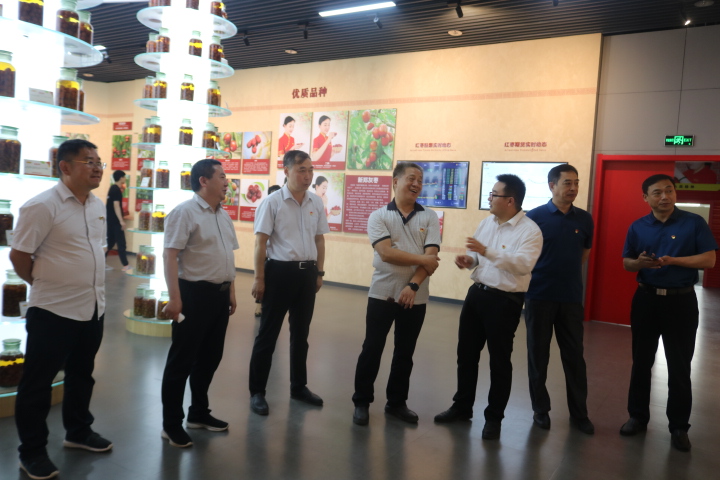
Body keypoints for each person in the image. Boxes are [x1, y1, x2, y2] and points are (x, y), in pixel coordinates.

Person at [10, 139, 112, 480]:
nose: (97, 167)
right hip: (53, 310)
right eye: (88, 161)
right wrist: (43, 283)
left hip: (92, 307)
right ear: (65, 167)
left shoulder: (96, 205)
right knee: (37, 384)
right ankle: (32, 451)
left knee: (82, 375)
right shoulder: (42, 206)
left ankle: (78, 431)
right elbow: (19, 255)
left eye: (98, 161)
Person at [434, 174, 543, 440]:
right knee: (466, 355)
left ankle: (494, 418)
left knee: (499, 362)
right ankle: (462, 407)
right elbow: (477, 257)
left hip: (504, 302)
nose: (489, 198)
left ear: (510, 200)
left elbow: (522, 265)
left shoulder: (530, 231)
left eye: (494, 194)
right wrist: (469, 260)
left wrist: (486, 251)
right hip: (477, 295)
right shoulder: (487, 223)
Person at [619, 174, 716, 452]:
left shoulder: (693, 223)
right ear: (645, 197)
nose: (665, 196)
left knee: (679, 366)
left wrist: (674, 261)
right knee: (641, 362)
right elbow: (626, 263)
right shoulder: (638, 226)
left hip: (681, 302)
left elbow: (709, 259)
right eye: (657, 192)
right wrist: (639, 263)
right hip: (646, 300)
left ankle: (679, 426)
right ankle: (637, 417)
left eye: (669, 190)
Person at [351, 162, 441, 426]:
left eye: (420, 180)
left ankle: (397, 403)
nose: (416, 184)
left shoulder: (429, 217)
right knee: (372, 348)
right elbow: (386, 253)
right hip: (382, 293)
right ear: (395, 182)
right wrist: (422, 259)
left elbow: (432, 259)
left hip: (416, 296)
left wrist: (412, 286)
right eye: (411, 178)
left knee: (405, 352)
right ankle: (361, 401)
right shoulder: (378, 216)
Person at [160, 159, 239, 448]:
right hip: (193, 295)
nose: (227, 181)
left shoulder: (223, 215)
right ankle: (171, 424)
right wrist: (175, 298)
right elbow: (170, 256)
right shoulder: (184, 212)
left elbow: (228, 255)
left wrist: (230, 290)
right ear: (204, 181)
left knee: (210, 357)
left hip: (219, 296)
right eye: (222, 176)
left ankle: (198, 413)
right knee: (181, 361)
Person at [249, 150, 329, 416]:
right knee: (268, 334)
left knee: (301, 334)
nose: (308, 176)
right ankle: (257, 392)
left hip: (307, 275)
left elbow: (319, 239)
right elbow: (260, 243)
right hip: (279, 273)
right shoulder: (272, 203)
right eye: (301, 170)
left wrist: (319, 272)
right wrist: (259, 278)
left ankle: (299, 387)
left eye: (310, 170)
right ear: (286, 171)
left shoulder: (315, 202)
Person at [524, 164, 595, 434]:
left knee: (575, 357)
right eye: (567, 183)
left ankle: (579, 414)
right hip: (539, 296)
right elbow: (525, 256)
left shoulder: (584, 219)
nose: (573, 188)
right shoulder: (534, 217)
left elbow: (583, 254)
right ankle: (540, 409)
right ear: (552, 185)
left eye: (576, 183)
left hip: (570, 298)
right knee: (538, 355)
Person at [254, 184, 281, 318]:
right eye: (272, 193)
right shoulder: (265, 208)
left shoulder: (282, 209)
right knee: (261, 280)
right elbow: (259, 239)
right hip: (265, 253)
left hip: (277, 257)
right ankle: (258, 305)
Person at [105, 170, 130, 271]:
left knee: (109, 242)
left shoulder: (112, 188)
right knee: (121, 243)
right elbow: (116, 206)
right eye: (124, 177)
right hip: (115, 222)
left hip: (110, 221)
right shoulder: (116, 190)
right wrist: (121, 221)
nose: (125, 178)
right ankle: (126, 265)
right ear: (121, 178)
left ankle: (100, 262)